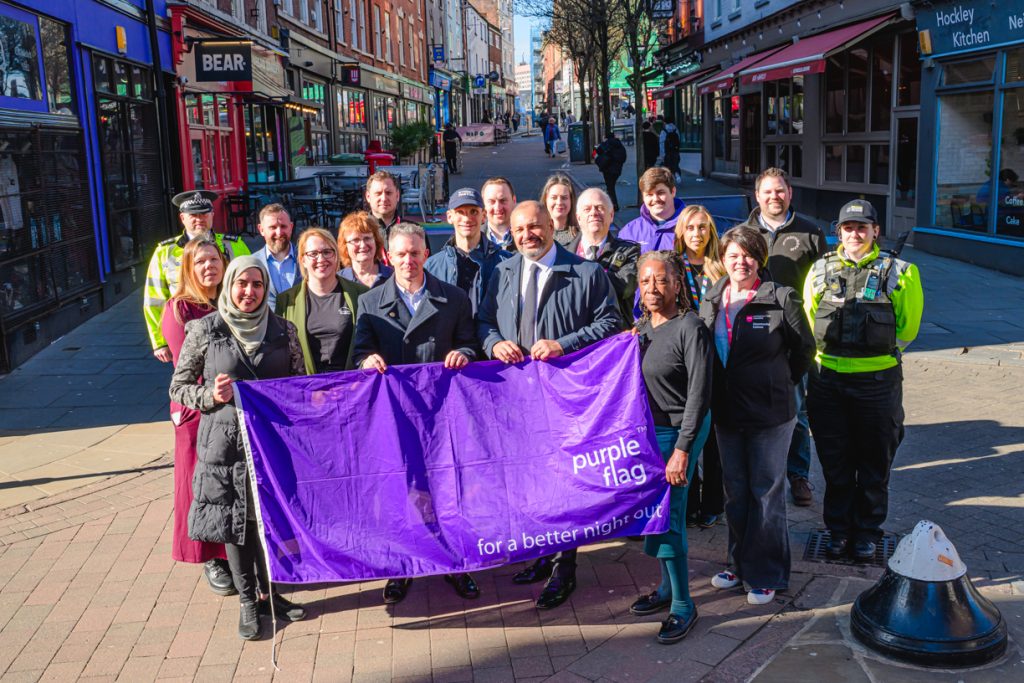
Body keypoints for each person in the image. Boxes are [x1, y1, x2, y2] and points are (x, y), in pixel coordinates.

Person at [478, 200, 622, 610]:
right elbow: (484, 321)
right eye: (520, 229)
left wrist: (564, 344)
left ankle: (565, 568)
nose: (527, 235)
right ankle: (542, 553)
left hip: (566, 397)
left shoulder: (588, 273)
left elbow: (612, 322)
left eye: (535, 227)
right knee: (530, 481)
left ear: (551, 226)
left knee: (564, 483)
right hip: (516, 400)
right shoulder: (503, 271)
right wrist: (494, 342)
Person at [169, 256, 308, 640]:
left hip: (271, 443)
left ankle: (271, 595)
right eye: (241, 284)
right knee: (235, 522)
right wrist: (210, 395)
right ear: (229, 285)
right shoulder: (204, 330)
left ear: (266, 289)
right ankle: (248, 602)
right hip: (224, 445)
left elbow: (299, 383)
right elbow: (178, 387)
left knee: (269, 520)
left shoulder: (284, 329)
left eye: (257, 285)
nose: (248, 292)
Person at [352, 222, 482, 605]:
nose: (408, 260)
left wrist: (466, 354)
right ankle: (402, 568)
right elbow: (360, 350)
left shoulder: (454, 298)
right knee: (399, 491)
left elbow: (470, 343)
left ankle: (455, 565)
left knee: (446, 489)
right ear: (388, 258)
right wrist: (366, 360)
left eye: (415, 252)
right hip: (393, 416)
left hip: (440, 414)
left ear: (427, 254)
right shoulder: (369, 302)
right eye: (401, 254)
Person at [698, 226, 815, 606]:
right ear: (722, 259)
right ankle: (738, 563)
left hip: (770, 413)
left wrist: (778, 382)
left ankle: (767, 572)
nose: (740, 262)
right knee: (736, 491)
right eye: (732, 255)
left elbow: (803, 351)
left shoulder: (780, 298)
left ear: (760, 258)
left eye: (748, 255)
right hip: (727, 412)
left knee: (766, 491)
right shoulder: (713, 298)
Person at [803, 200, 923, 561]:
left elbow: (908, 329)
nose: (855, 234)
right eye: (848, 228)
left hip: (877, 383)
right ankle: (838, 531)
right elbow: (810, 321)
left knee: (874, 462)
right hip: (827, 383)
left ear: (875, 231)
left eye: (862, 227)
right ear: (838, 232)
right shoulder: (820, 270)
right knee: (836, 463)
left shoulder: (901, 272)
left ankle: (867, 531)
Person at [629, 251, 712, 644]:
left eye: (661, 280)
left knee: (669, 517)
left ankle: (683, 605)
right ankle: (665, 590)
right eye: (645, 281)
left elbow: (699, 394)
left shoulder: (690, 327)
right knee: (654, 514)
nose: (652, 288)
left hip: (680, 430)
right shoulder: (641, 329)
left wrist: (683, 448)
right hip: (651, 433)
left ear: (678, 284)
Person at [736, 167, 828, 507]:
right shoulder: (743, 232)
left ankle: (798, 474)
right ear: (756, 196)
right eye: (767, 192)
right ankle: (756, 472)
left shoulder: (810, 232)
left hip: (795, 333)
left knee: (796, 409)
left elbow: (823, 283)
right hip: (753, 333)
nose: (774, 197)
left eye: (780, 191)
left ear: (790, 193)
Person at [159, 238, 232, 596]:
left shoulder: (230, 299)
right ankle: (209, 557)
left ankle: (231, 551)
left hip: (230, 409)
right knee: (198, 487)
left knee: (225, 485)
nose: (208, 267)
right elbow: (184, 369)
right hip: (196, 412)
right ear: (189, 268)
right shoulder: (179, 309)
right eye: (200, 261)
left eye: (214, 260)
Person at [144, 190, 250, 363]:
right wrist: (159, 342)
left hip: (231, 324)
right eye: (193, 214)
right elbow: (154, 299)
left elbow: (251, 285)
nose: (199, 219)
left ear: (212, 215)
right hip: (185, 327)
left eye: (204, 213)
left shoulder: (235, 245)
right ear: (182, 218)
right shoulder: (165, 252)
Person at [673, 206, 727, 529]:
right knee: (687, 431)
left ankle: (713, 503)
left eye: (703, 228)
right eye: (691, 228)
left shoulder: (720, 269)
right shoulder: (674, 268)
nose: (697, 233)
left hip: (717, 359)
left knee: (715, 439)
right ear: (681, 232)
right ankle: (689, 499)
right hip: (684, 360)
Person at [275, 228, 367, 374]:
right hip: (307, 389)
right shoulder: (286, 301)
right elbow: (281, 352)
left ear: (336, 256)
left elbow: (369, 343)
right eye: (313, 254)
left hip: (351, 386)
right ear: (302, 260)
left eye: (327, 252)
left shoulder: (361, 294)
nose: (321, 259)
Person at [425, 188, 511, 314]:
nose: (467, 219)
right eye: (460, 212)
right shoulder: (432, 266)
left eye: (474, 212)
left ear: (484, 216)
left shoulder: (506, 263)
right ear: (449, 217)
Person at [569, 187, 639, 326]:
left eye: (600, 208)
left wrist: (579, 279)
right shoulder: (564, 253)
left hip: (614, 336)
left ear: (611, 215)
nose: (594, 213)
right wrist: (606, 276)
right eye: (587, 209)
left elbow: (625, 289)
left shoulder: (629, 251)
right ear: (578, 218)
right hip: (574, 336)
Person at [619, 167, 686, 253]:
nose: (655, 199)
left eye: (660, 193)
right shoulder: (630, 232)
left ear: (673, 192)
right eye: (649, 194)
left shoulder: (690, 227)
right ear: (643, 197)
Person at [251, 204, 297, 311]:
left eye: (283, 226)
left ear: (291, 227)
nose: (279, 233)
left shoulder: (307, 259)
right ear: (261, 229)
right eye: (273, 227)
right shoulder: (252, 263)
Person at [338, 211, 394, 289]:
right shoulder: (339, 281)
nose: (363, 245)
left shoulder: (392, 277)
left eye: (367, 238)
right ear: (345, 246)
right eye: (355, 240)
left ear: (376, 241)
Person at [364, 171, 405, 243]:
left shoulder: (414, 231)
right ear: (368, 197)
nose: (384, 198)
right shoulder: (359, 231)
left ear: (397, 195)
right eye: (378, 193)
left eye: (388, 193)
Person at [540, 173, 579, 247]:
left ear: (571, 200)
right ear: (546, 200)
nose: (559, 202)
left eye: (564, 198)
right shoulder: (538, 234)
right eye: (554, 197)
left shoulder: (581, 235)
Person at [481, 177, 518, 252]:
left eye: (503, 200)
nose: (498, 207)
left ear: (514, 201)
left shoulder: (526, 238)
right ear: (483, 204)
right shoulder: (474, 239)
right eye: (491, 201)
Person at [594, 130, 628, 211]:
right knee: (611, 187)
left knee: (610, 187)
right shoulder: (620, 146)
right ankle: (611, 204)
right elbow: (624, 158)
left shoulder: (605, 144)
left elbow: (595, 153)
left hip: (607, 169)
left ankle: (614, 205)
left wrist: (598, 160)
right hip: (617, 170)